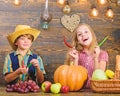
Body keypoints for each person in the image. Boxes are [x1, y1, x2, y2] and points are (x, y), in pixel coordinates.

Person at [64, 23, 108, 88]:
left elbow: (99, 78)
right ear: (78, 41)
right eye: (79, 34)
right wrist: (75, 60)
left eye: (86, 31)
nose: (83, 35)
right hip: (79, 92)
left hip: (96, 90)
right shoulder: (76, 54)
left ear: (92, 35)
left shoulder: (102, 54)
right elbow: (73, 78)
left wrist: (96, 58)